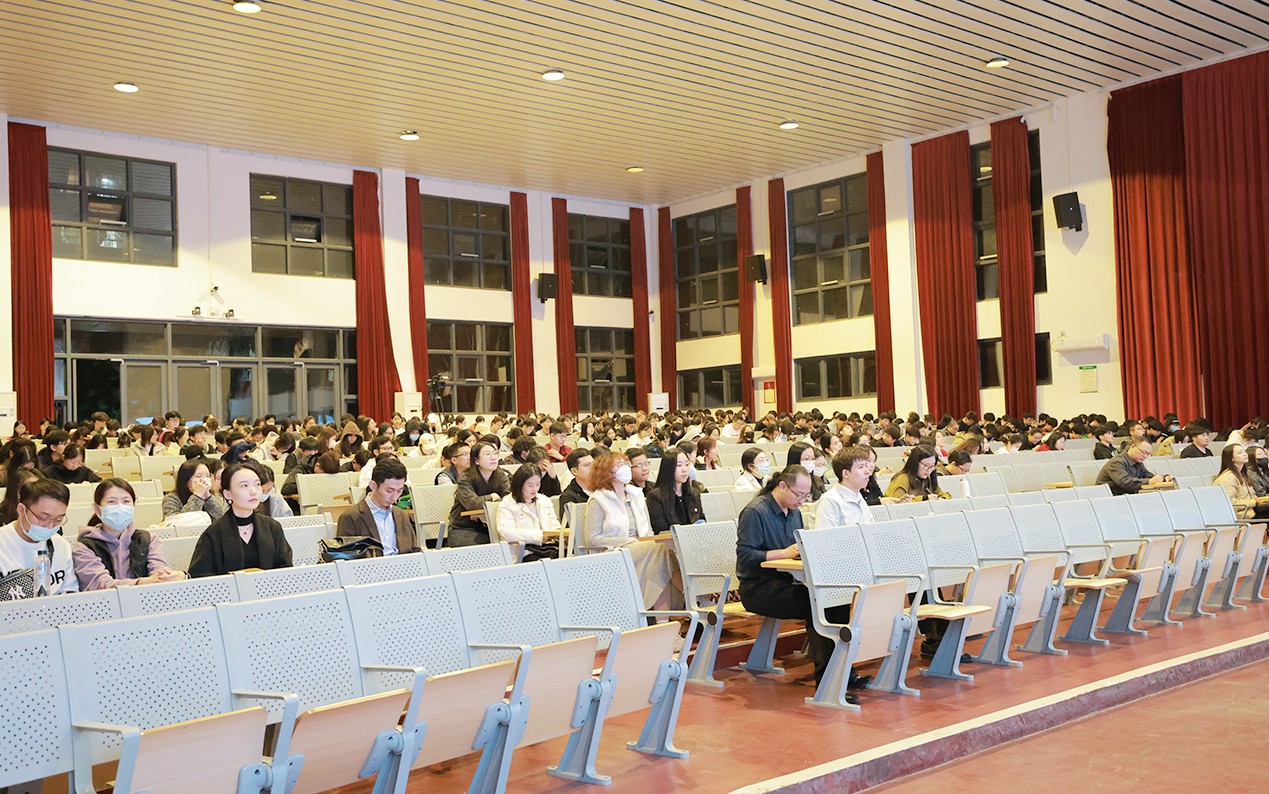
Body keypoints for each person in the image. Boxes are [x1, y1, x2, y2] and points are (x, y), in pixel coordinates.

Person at [736, 465, 865, 696]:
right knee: (815, 603)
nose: (802, 501)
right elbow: (746, 557)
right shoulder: (755, 511)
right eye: (799, 495)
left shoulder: (794, 512)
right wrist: (783, 553)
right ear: (782, 486)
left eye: (806, 496)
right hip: (758, 587)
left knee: (835, 599)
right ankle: (827, 683)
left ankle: (844, 673)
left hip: (789, 581)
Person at [580, 451, 680, 609]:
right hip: (615, 552)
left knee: (668, 553)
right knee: (661, 552)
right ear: (607, 472)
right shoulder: (598, 499)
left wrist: (646, 542)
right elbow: (592, 538)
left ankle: (665, 618)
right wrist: (629, 541)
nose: (625, 468)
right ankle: (693, 599)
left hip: (644, 548)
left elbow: (648, 529)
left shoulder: (636, 495)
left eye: (625, 464)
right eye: (619, 465)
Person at [72, 478, 186, 589]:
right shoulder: (84, 548)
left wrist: (166, 576)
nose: (120, 507)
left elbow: (158, 569)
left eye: (126, 501)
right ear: (98, 509)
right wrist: (142, 582)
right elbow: (100, 585)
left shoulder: (148, 539)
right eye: (112, 502)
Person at [188, 464, 293, 577]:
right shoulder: (213, 533)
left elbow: (285, 570)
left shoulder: (273, 527)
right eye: (244, 485)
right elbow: (200, 576)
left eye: (257, 484)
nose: (253, 491)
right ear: (228, 494)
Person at [0, 477, 78, 597]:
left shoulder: (61, 545)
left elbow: (71, 592)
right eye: (43, 518)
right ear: (21, 510)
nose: (50, 526)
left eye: (58, 520)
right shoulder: (3, 542)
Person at [337, 457, 418, 555]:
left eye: (399, 491)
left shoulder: (401, 515)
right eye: (389, 491)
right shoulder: (351, 517)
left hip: (405, 563)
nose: (394, 497)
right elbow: (345, 556)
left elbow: (414, 550)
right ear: (373, 486)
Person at [446, 441, 510, 547]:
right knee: (491, 546)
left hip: (493, 526)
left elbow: (510, 499)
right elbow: (473, 504)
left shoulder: (501, 475)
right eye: (487, 454)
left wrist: (491, 503)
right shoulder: (465, 478)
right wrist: (492, 496)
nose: (493, 457)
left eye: (495, 453)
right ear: (476, 460)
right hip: (464, 528)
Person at [496, 463, 561, 561]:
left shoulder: (544, 500)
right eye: (530, 485)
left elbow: (554, 523)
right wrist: (538, 536)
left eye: (538, 484)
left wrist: (556, 534)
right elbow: (506, 532)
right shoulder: (507, 504)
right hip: (525, 552)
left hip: (549, 548)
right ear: (520, 484)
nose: (535, 489)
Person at [816, 447, 877, 529]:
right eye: (861, 467)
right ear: (846, 473)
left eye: (866, 466)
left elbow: (872, 529)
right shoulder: (829, 501)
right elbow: (826, 535)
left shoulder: (858, 496)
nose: (867, 471)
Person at [646, 450, 704, 534]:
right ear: (668, 468)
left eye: (687, 464)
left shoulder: (694, 493)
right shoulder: (655, 497)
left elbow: (702, 520)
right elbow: (660, 529)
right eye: (679, 465)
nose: (684, 469)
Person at [1095, 438, 1173, 495]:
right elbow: (1125, 482)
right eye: (1143, 452)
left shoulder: (1137, 461)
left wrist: (1163, 478)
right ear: (1132, 447)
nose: (1145, 456)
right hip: (1110, 497)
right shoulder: (1117, 462)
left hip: (1126, 495)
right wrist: (1149, 481)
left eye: (1148, 454)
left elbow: (1148, 475)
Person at [162, 458, 229, 520]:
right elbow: (179, 522)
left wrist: (207, 496)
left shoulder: (213, 495)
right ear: (186, 480)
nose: (204, 480)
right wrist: (197, 496)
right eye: (199, 476)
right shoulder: (171, 499)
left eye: (207, 476)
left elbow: (221, 518)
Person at [1213, 444, 1265, 520]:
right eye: (1240, 452)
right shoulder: (1228, 477)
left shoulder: (1243, 474)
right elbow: (1230, 503)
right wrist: (1253, 502)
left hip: (1251, 510)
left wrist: (1260, 501)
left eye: (1244, 451)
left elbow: (1252, 495)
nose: (1245, 454)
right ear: (1232, 458)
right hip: (1242, 515)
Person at [885, 445, 950, 501]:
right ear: (915, 463)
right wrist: (924, 499)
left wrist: (942, 498)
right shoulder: (902, 479)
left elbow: (943, 494)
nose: (929, 470)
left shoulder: (929, 478)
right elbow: (897, 502)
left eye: (932, 466)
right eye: (925, 465)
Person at [558, 448, 594, 518]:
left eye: (593, 463)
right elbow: (570, 523)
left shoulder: (602, 489)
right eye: (587, 465)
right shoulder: (568, 497)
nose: (593, 468)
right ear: (574, 471)